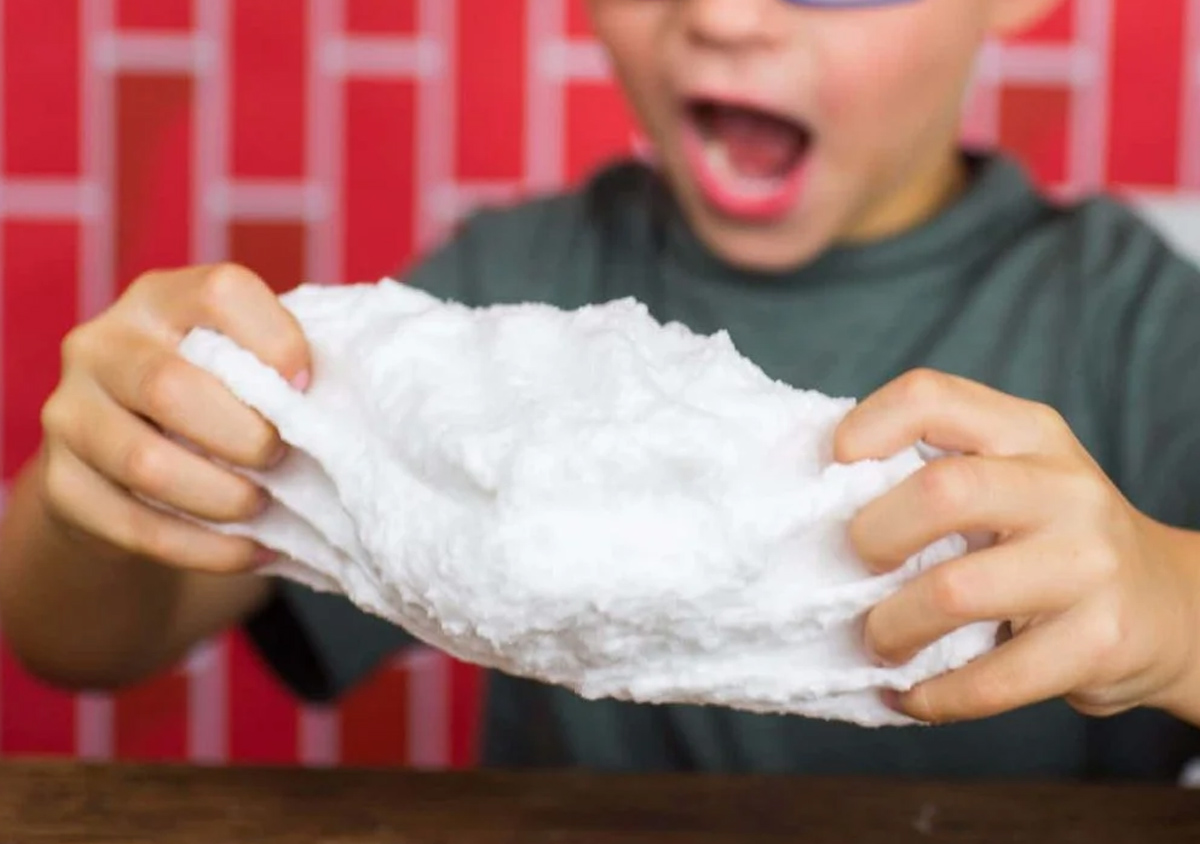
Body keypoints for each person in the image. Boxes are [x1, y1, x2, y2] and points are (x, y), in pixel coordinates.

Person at [3, 0, 1200, 781]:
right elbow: (78, 641)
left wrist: (1173, 609)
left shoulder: (1144, 324)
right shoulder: (498, 303)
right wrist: (95, 484)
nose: (724, 17)